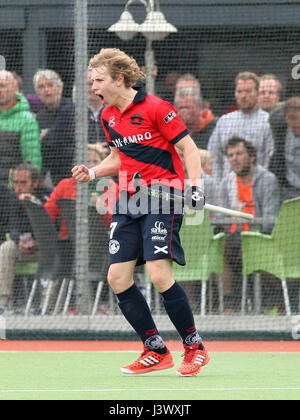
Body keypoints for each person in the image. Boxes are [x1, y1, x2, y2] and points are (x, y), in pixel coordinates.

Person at [72, 48, 209, 377]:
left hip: (162, 198)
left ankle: (194, 347)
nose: (94, 87)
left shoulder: (157, 108)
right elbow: (121, 157)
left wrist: (195, 187)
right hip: (128, 199)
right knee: (117, 278)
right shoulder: (107, 116)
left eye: (99, 81)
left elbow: (187, 148)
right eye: (92, 81)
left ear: (119, 80)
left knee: (160, 276)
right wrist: (92, 172)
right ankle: (155, 348)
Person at [218, 137, 280, 311]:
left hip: (261, 238)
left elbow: (270, 220)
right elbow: (221, 215)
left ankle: (273, 301)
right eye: (230, 155)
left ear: (251, 157)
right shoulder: (227, 182)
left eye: (239, 153)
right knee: (218, 251)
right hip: (234, 238)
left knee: (256, 253)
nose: (234, 159)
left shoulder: (267, 179)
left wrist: (249, 238)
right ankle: (230, 304)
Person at [0, 163, 52, 315]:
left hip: (46, 247)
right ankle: (3, 304)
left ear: (35, 183)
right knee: (7, 247)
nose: (18, 187)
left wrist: (33, 204)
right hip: (25, 246)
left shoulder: (48, 194)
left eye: (23, 183)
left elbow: (53, 225)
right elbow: (13, 226)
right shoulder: (13, 197)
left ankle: (45, 306)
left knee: (54, 251)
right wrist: (19, 241)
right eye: (15, 183)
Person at [208, 71, 274, 184]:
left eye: (248, 91)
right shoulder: (224, 121)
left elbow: (270, 157)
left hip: (257, 187)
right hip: (228, 188)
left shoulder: (268, 122)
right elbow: (213, 156)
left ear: (257, 93)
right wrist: (218, 184)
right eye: (240, 91)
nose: (243, 96)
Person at [46, 70, 107, 185]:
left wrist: (105, 152)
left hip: (108, 180)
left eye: (98, 82)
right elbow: (55, 149)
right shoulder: (68, 113)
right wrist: (87, 148)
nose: (93, 87)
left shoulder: (115, 112)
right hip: (75, 181)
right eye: (89, 84)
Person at [0, 70, 42, 183]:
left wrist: (27, 188)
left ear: (14, 88)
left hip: (12, 189)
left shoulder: (27, 120)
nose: (0, 90)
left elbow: (32, 158)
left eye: (3, 86)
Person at [33, 69, 71, 183]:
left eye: (50, 85)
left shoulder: (72, 109)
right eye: (41, 87)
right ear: (37, 93)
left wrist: (47, 137)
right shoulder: (39, 117)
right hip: (53, 174)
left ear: (60, 88)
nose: (46, 90)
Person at [269, 96, 300, 202]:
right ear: (286, 118)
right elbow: (275, 112)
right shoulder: (279, 125)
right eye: (293, 127)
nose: (296, 129)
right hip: (288, 190)